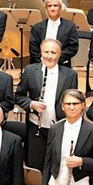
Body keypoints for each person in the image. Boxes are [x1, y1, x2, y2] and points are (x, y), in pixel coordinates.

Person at [15, 38, 79, 171]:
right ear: (41, 52)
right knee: (36, 166)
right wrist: (31, 104)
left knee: (58, 167)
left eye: (53, 53)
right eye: (46, 52)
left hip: (60, 128)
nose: (49, 56)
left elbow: (74, 102)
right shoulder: (30, 70)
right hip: (36, 128)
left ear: (59, 54)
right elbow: (18, 96)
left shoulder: (70, 75)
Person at [28, 0, 78, 66]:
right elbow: (33, 48)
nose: (52, 8)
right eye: (49, 6)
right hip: (40, 64)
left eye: (55, 5)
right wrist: (43, 60)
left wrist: (56, 59)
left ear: (60, 8)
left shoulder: (70, 26)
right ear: (46, 9)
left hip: (61, 64)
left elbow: (73, 47)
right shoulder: (37, 27)